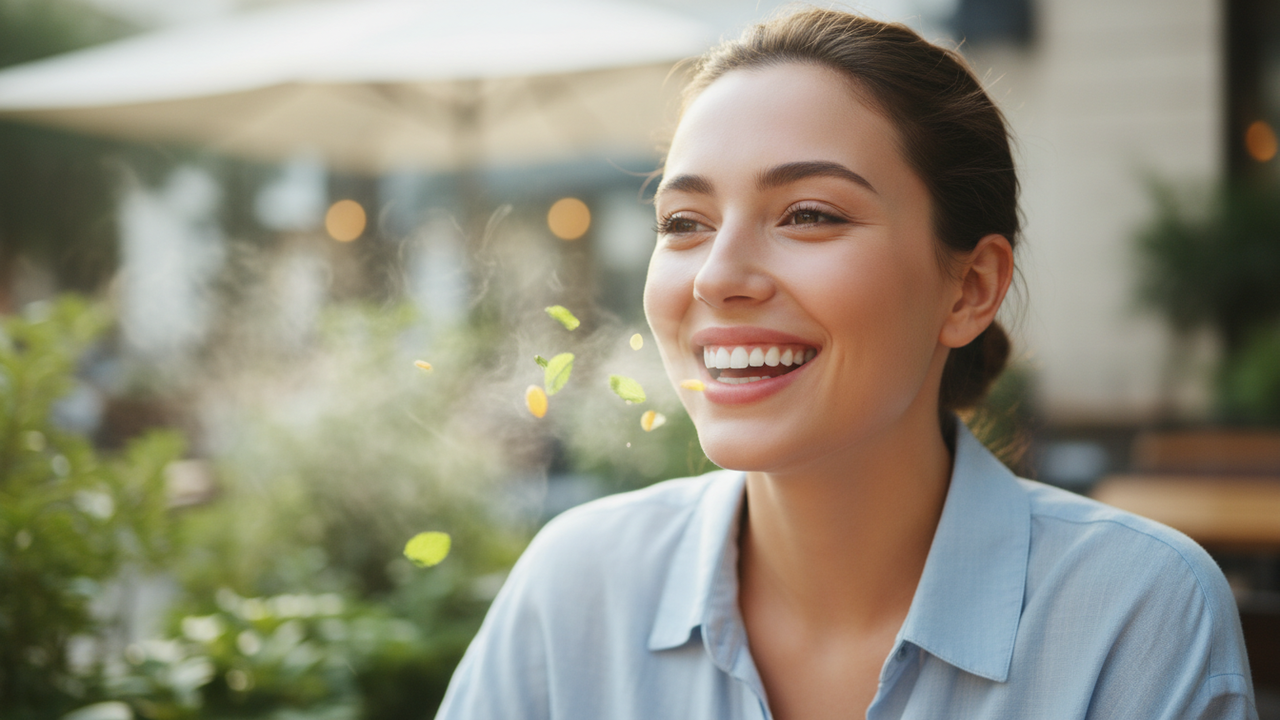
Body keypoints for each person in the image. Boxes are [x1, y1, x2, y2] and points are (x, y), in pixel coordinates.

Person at [436, 9, 1257, 719]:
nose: (718, 276)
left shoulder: (1133, 613)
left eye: (809, 214)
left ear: (970, 288)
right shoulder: (577, 587)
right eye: (684, 222)